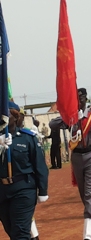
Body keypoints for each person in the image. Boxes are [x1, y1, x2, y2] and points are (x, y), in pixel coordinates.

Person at [49, 88, 91, 240]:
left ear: (85, 99)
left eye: (81, 99)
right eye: (76, 99)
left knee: (90, 193)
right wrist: (69, 116)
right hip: (77, 158)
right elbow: (52, 124)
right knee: (85, 196)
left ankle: (87, 235)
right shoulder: (71, 117)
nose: (79, 102)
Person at [0, 101, 49, 240]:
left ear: (15, 117)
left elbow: (40, 166)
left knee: (20, 232)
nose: (3, 119)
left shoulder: (28, 138)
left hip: (23, 189)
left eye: (7, 115)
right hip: (2, 191)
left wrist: (43, 190)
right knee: (11, 230)